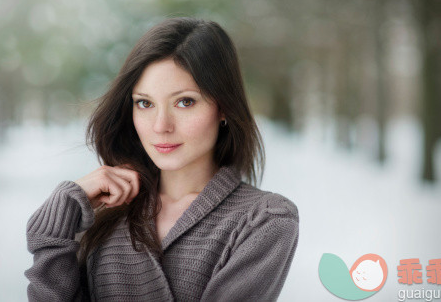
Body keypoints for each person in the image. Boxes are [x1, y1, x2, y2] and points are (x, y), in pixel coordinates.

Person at [25, 17, 299, 301]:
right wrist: (60, 220)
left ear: (224, 107)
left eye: (185, 102)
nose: (160, 126)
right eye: (145, 103)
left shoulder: (264, 220)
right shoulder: (103, 215)